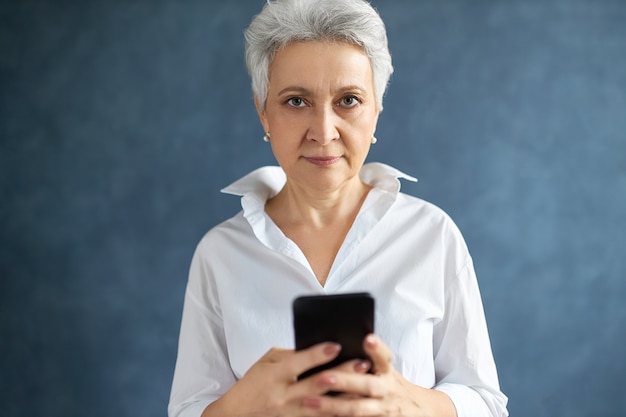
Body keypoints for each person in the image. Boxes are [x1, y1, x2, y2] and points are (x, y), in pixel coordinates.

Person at [168, 0, 509, 416]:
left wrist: (408, 402)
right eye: (296, 101)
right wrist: (241, 406)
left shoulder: (432, 235)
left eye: (348, 100)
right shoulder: (220, 254)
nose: (323, 132)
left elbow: (487, 404)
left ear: (377, 111)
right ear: (263, 112)